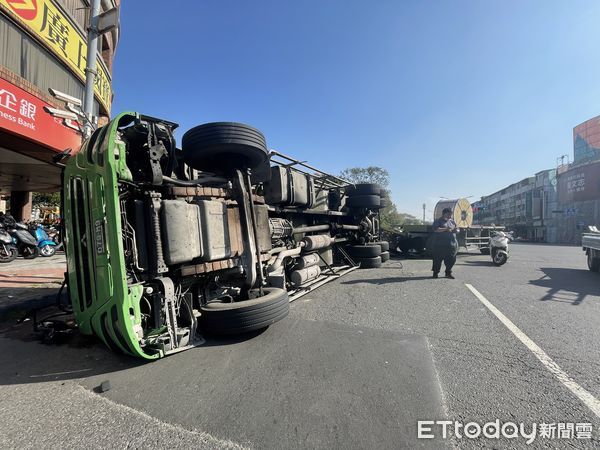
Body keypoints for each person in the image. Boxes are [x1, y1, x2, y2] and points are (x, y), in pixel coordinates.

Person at [431, 207, 459, 279]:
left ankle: (448, 273)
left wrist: (456, 230)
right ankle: (436, 272)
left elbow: (457, 229)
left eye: (451, 214)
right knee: (437, 260)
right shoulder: (438, 221)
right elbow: (436, 229)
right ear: (444, 214)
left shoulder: (452, 221)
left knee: (451, 259)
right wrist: (446, 229)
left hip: (451, 245)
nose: (450, 215)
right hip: (440, 245)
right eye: (449, 214)